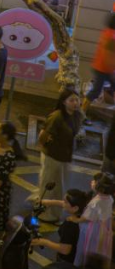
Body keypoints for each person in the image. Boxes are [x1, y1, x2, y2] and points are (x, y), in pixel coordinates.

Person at [34, 89, 84, 222]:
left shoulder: (77, 115)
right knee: (48, 185)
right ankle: (43, 213)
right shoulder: (56, 117)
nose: (75, 103)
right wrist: (47, 146)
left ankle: (54, 213)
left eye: (77, 100)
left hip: (65, 157)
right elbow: (43, 136)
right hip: (52, 157)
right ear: (63, 102)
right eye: (71, 100)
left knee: (59, 186)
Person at [86, 12, 115, 102]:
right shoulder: (112, 37)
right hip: (103, 69)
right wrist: (112, 70)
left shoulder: (107, 32)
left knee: (100, 89)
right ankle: (82, 108)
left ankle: (109, 98)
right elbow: (109, 55)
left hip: (100, 67)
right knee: (95, 92)